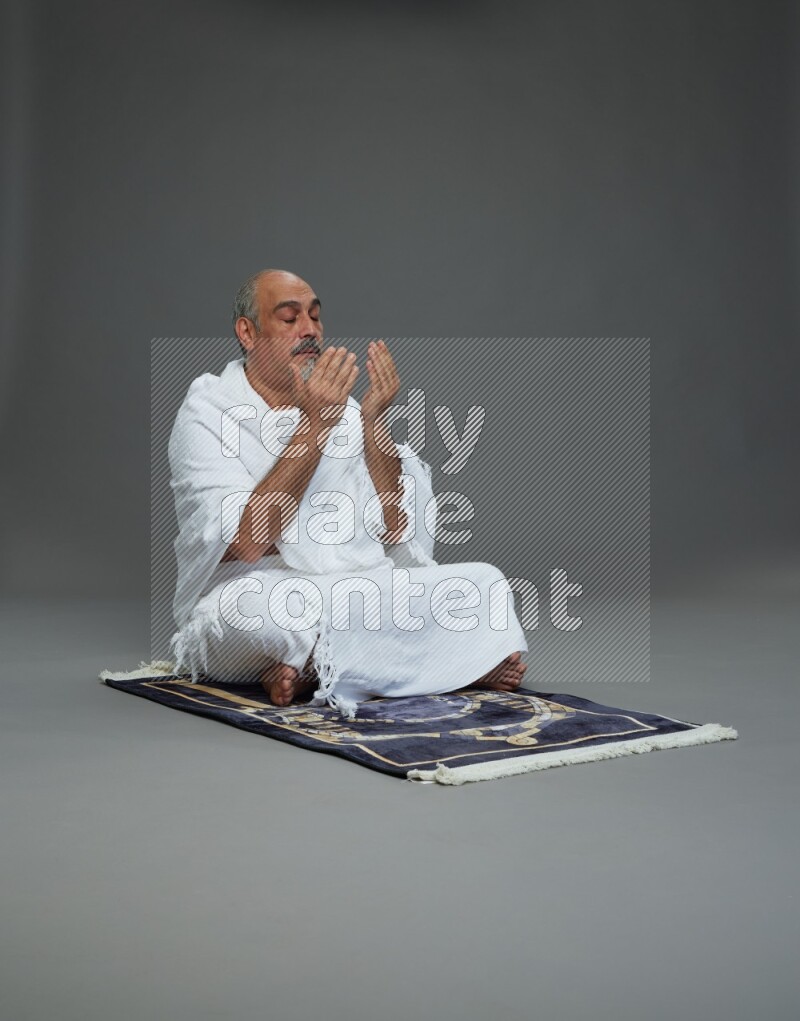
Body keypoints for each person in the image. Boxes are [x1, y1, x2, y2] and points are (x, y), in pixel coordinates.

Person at [167, 269, 527, 719]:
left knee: (482, 584)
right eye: (290, 318)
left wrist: (373, 419)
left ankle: (317, 668)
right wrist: (315, 425)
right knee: (272, 614)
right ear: (247, 332)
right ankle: (445, 666)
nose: (310, 331)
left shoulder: (347, 409)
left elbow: (396, 529)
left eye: (316, 318)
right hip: (256, 586)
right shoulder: (209, 409)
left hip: (354, 587)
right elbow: (248, 542)